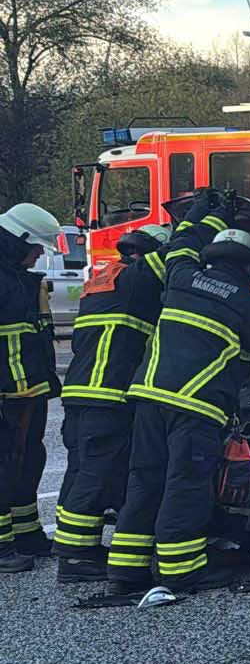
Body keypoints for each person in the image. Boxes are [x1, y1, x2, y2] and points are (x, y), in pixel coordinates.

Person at [113, 209, 250, 594]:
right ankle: (181, 570)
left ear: (212, 255)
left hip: (149, 397)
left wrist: (207, 213)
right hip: (196, 407)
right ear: (249, 268)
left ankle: (125, 572)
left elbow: (181, 244)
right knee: (186, 485)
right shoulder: (247, 303)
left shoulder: (182, 276)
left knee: (145, 481)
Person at [50, 213, 214, 583]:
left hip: (81, 393)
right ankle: (75, 559)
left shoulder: (105, 280)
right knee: (96, 474)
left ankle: (75, 548)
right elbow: (178, 252)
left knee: (80, 471)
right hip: (107, 394)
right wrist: (200, 220)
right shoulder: (138, 280)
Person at [0, 203, 64, 574]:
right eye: (36, 248)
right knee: (3, 465)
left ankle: (27, 534)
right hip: (8, 394)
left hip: (28, 391)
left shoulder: (19, 280)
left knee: (27, 462)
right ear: (16, 240)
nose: (39, 255)